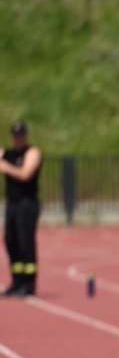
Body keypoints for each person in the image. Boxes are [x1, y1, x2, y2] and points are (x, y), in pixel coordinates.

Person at [2, 121, 43, 296]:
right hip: (12, 203)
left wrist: (5, 167)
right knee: (10, 240)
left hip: (27, 202)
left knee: (25, 241)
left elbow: (25, 174)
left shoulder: (32, 152)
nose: (18, 138)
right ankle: (17, 280)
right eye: (15, 135)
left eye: (21, 134)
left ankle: (29, 282)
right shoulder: (8, 153)